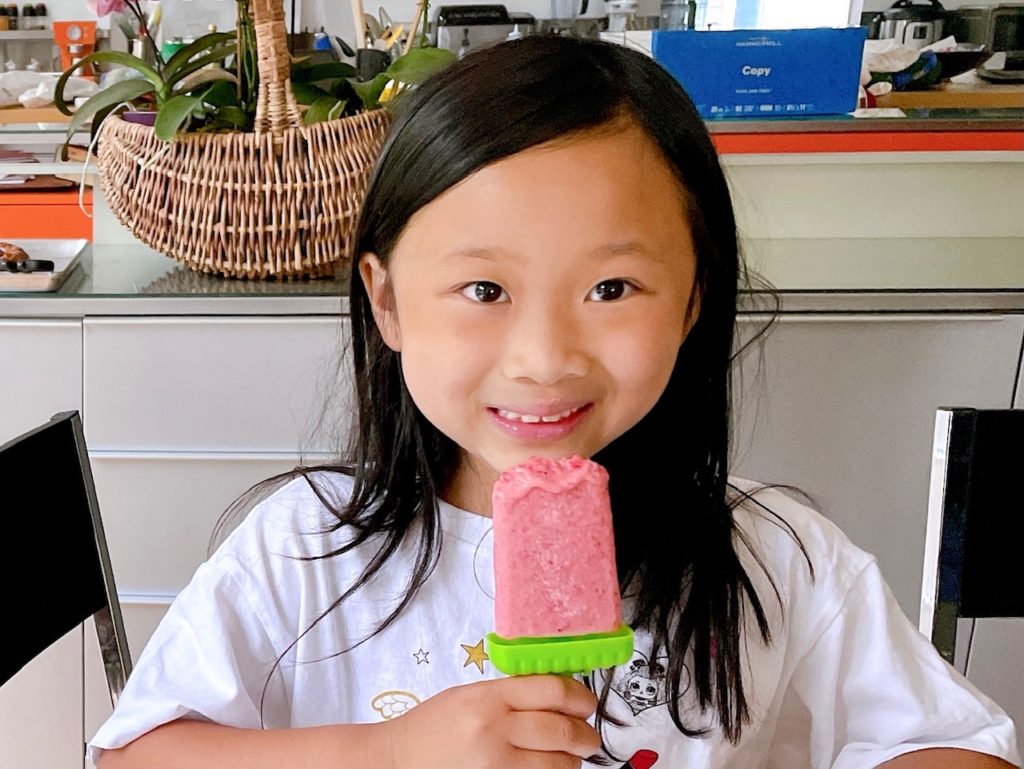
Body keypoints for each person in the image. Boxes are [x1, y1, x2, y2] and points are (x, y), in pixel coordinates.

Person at [90, 35, 1019, 769]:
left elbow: (959, 746)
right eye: (485, 290)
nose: (544, 359)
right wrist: (386, 751)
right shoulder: (303, 552)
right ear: (386, 301)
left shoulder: (778, 559)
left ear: (694, 300)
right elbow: (136, 754)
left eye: (612, 288)